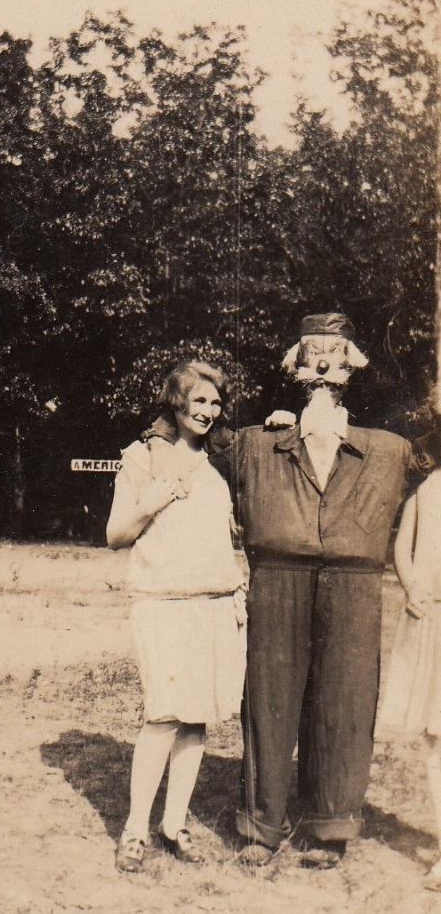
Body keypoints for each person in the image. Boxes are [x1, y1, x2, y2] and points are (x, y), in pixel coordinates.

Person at [146, 313, 426, 868]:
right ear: (295, 365)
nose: (324, 365)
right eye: (313, 353)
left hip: (355, 588)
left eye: (337, 353)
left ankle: (328, 828)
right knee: (270, 701)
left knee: (344, 704)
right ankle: (261, 826)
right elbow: (188, 422)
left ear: (353, 365)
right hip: (276, 583)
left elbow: (435, 443)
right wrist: (156, 437)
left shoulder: (387, 449)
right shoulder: (256, 444)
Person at [107, 360, 247, 873]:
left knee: (196, 719)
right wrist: (156, 498)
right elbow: (116, 534)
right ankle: (134, 830)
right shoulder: (143, 456)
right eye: (199, 400)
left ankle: (174, 823)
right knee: (163, 715)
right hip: (163, 602)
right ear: (177, 402)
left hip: (213, 603)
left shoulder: (217, 465)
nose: (207, 411)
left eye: (215, 402)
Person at [380, 467, 441, 891]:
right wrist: (410, 585)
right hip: (432, 616)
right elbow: (403, 546)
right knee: (435, 736)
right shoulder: (428, 485)